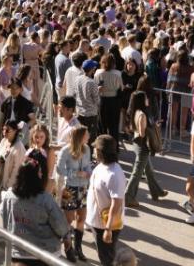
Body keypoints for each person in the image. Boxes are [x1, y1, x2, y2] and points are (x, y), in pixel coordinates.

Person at [0, 157, 71, 266]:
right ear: (35, 177)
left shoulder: (9, 196)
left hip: (17, 251)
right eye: (40, 173)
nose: (42, 175)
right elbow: (60, 225)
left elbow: (4, 216)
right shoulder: (46, 199)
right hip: (44, 253)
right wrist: (67, 238)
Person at [85, 135, 126, 266]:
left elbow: (117, 203)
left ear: (102, 151)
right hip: (97, 222)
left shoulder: (114, 174)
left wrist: (108, 229)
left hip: (105, 225)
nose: (94, 151)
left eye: (96, 149)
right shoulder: (101, 166)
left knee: (107, 259)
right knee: (104, 255)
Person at [57, 124, 92, 263]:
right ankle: (68, 248)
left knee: (82, 218)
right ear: (80, 137)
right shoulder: (66, 150)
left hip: (83, 188)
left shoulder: (87, 149)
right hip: (70, 188)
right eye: (87, 134)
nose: (89, 136)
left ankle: (78, 248)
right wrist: (75, 173)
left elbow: (88, 165)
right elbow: (59, 169)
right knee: (69, 220)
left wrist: (89, 172)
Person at [124, 90, 166, 206]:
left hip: (136, 144)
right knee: (137, 173)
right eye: (146, 98)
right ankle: (128, 196)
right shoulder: (142, 114)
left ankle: (156, 191)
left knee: (149, 171)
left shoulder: (134, 112)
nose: (148, 100)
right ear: (142, 101)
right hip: (143, 146)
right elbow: (143, 133)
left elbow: (133, 129)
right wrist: (152, 128)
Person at [0, 119, 27, 244]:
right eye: (3, 129)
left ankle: (11, 235)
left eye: (7, 130)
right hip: (0, 177)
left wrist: (8, 187)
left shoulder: (19, 147)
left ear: (15, 131)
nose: (4, 132)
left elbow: (18, 170)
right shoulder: (4, 141)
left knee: (9, 210)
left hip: (12, 183)